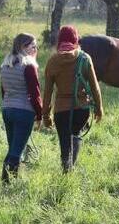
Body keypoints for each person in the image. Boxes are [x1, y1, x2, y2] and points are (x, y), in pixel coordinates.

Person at [42, 25, 103, 172]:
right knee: (75, 135)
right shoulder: (84, 58)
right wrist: (99, 108)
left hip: (61, 110)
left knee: (64, 140)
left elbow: (48, 92)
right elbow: (95, 87)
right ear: (76, 39)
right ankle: (71, 167)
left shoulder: (52, 61)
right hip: (81, 109)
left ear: (60, 40)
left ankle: (66, 169)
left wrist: (45, 115)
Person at [0, 33, 43, 182]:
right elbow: (35, 93)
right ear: (23, 47)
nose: (35, 49)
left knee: (13, 147)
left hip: (7, 109)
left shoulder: (5, 65)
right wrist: (40, 114)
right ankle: (6, 182)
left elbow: (3, 90)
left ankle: (11, 179)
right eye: (33, 46)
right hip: (24, 111)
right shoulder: (29, 67)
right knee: (17, 151)